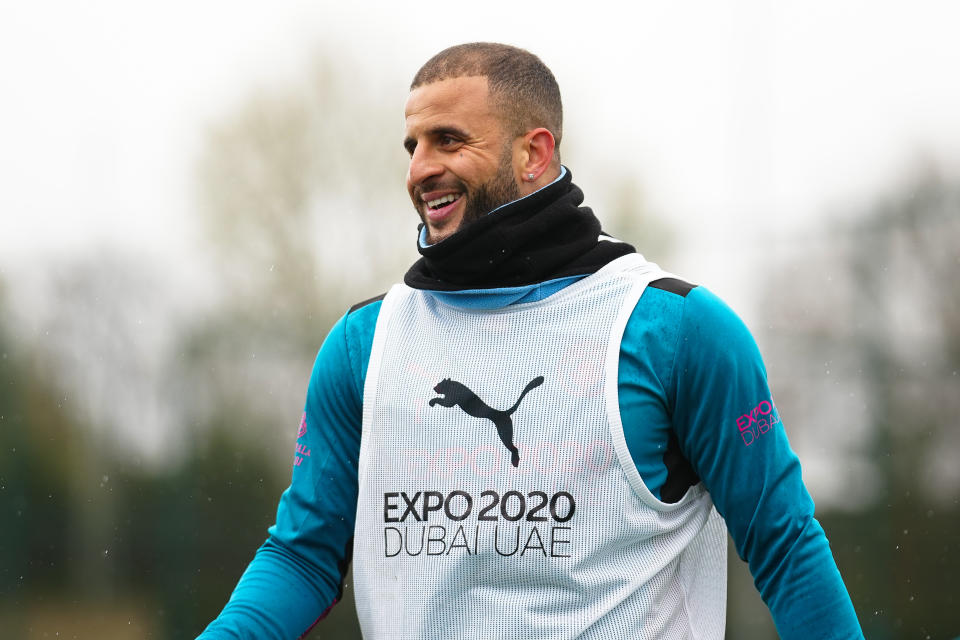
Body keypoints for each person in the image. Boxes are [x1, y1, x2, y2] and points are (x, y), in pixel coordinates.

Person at [197, 43, 864, 639]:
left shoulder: (678, 333)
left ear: (533, 153)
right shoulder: (361, 346)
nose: (420, 169)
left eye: (449, 141)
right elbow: (303, 556)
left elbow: (785, 548)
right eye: (413, 145)